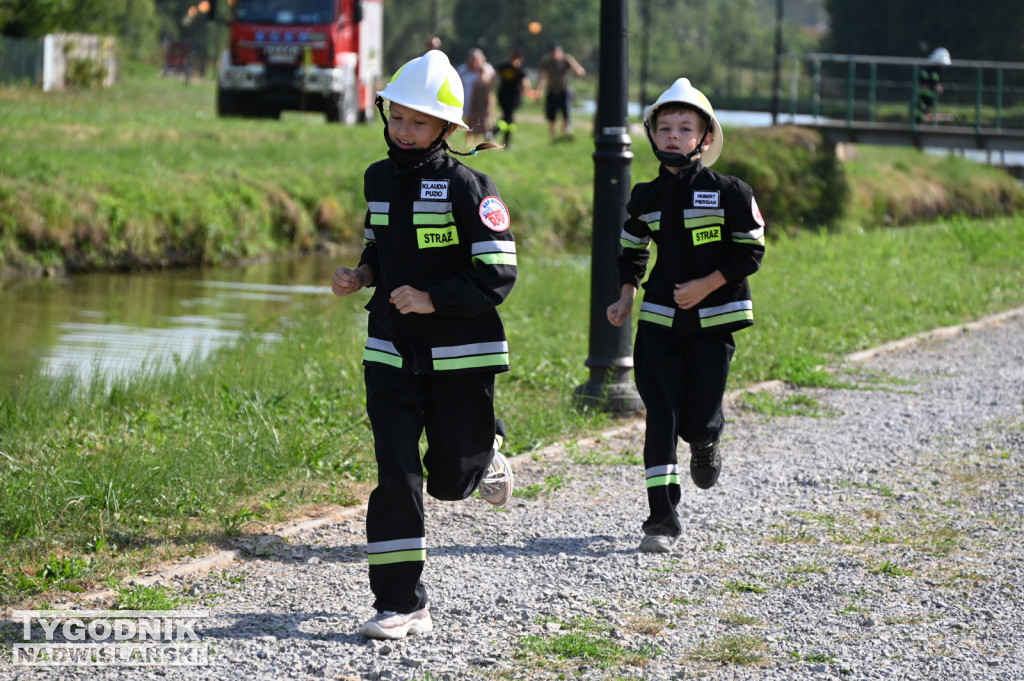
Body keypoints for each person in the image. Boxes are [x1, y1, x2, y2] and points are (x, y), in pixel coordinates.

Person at [331, 49, 517, 639]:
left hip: (461, 353)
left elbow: (498, 273)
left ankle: (485, 446)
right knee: (397, 473)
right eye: (396, 118)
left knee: (449, 480)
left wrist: (434, 298)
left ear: (445, 128)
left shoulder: (471, 188)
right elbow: (377, 244)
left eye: (418, 121)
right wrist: (361, 275)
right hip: (390, 349)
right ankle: (402, 604)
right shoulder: (377, 178)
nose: (404, 131)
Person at [606, 78, 766, 554]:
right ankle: (661, 518)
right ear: (652, 135)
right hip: (658, 319)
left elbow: (750, 252)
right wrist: (626, 295)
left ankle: (706, 439)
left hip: (715, 321)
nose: (673, 136)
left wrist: (707, 284)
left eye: (685, 128)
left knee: (696, 419)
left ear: (706, 138)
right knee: (661, 415)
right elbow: (631, 250)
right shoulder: (644, 197)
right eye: (665, 128)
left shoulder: (731, 192)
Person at [536, 42, 585, 140]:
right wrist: (539, 90)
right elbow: (543, 76)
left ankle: (565, 132)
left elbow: (576, 67)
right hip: (552, 90)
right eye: (553, 52)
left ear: (561, 52)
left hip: (564, 90)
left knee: (566, 113)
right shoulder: (547, 62)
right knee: (551, 116)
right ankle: (552, 137)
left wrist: (579, 71)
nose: (555, 54)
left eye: (557, 52)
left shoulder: (566, 59)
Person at [493, 47, 531, 147]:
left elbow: (494, 76)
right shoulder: (520, 70)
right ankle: (496, 133)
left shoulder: (504, 67)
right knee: (508, 120)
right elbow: (525, 84)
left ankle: (501, 137)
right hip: (511, 98)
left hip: (503, 96)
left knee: (507, 118)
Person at [457, 48, 496, 145]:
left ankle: (479, 140)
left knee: (480, 119)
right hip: (467, 98)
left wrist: (482, 69)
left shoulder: (486, 69)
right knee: (469, 119)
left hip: (481, 100)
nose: (474, 62)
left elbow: (489, 82)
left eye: (477, 59)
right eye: (473, 59)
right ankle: (468, 140)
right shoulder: (463, 69)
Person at [915, 47, 951, 125]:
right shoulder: (925, 71)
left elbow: (936, 85)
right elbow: (923, 85)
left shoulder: (937, 71)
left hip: (929, 101)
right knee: (920, 118)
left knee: (925, 117)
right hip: (921, 102)